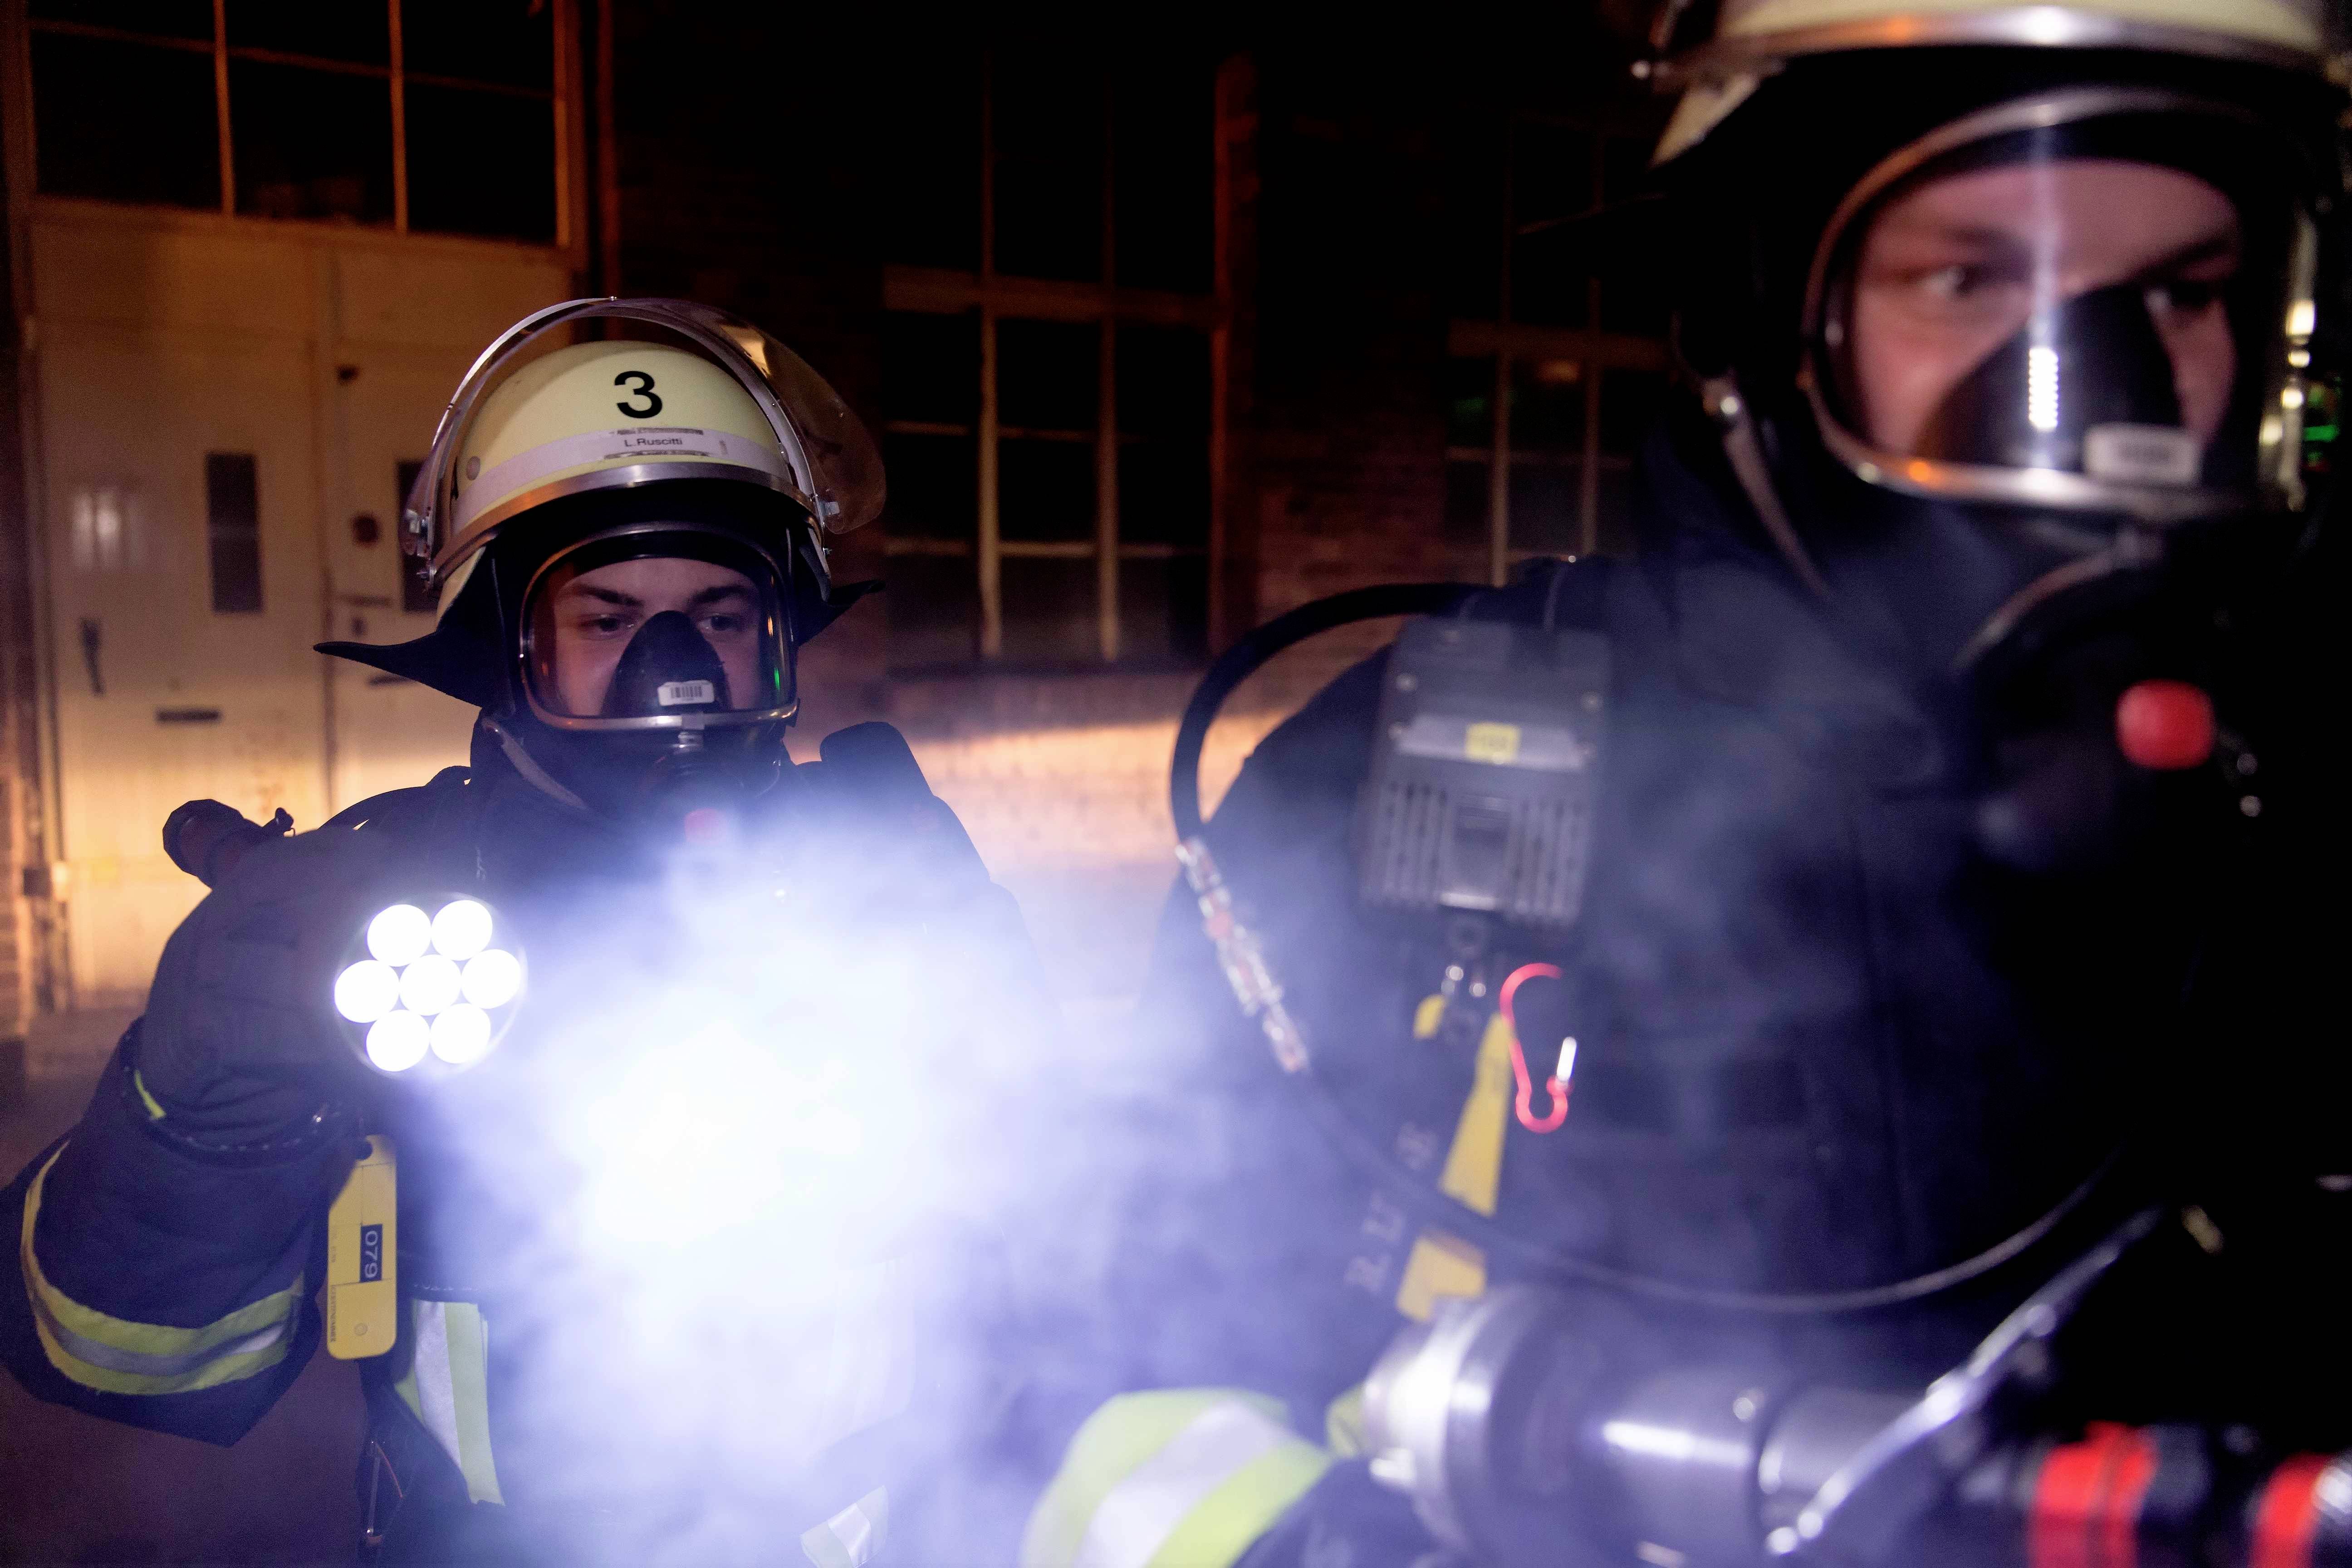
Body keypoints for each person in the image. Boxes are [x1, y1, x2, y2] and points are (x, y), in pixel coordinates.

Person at [1020, 5, 2350, 1565]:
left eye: (2185, 293)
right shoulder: (1411, 790)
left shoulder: (2300, 794)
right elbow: (1112, 1417)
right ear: (1751, 314)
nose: (2107, 395)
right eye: (1970, 278)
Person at [0, 299, 1052, 1565]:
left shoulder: (879, 871)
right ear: (500, 644)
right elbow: (128, 1357)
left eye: (720, 618)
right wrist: (206, 1119)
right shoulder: (378, 918)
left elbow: (1077, 1235)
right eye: (608, 621)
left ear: (783, 634)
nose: (676, 669)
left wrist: (988, 1010)